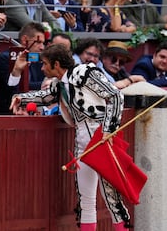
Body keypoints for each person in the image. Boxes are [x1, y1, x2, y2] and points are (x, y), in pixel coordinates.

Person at [10, 44, 132, 230]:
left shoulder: (85, 72)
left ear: (56, 64)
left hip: (101, 139)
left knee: (111, 197)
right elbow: (46, 96)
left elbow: (115, 96)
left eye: (44, 64)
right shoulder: (60, 82)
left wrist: (109, 129)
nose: (42, 68)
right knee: (85, 199)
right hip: (82, 143)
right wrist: (22, 98)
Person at [0, 22, 46, 114]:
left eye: (43, 43)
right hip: (9, 112)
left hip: (33, 109)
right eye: (38, 42)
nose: (42, 47)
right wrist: (44, 85)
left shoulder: (37, 58)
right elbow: (12, 89)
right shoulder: (5, 58)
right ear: (24, 39)